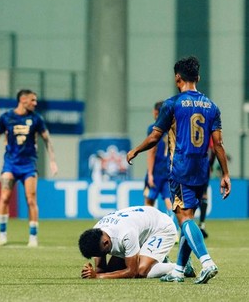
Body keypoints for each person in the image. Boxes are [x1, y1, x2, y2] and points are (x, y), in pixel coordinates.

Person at [127, 56, 231, 284]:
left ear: (177, 78)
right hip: (202, 170)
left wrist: (135, 150)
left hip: (180, 169)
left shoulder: (172, 104)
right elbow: (219, 145)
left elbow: (155, 137)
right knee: (189, 218)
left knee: (183, 219)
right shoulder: (212, 106)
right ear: (198, 77)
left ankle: (207, 262)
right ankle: (179, 270)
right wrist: (225, 174)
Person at [0, 89, 58, 247]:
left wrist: (52, 160)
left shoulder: (36, 118)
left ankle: (33, 236)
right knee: (4, 198)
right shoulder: (6, 117)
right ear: (23, 100)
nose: (35, 103)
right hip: (10, 164)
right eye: (33, 100)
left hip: (29, 165)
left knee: (31, 199)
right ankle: (2, 235)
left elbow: (46, 139)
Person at [78, 206, 194, 279]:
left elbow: (132, 272)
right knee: (114, 271)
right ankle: (158, 259)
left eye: (103, 254)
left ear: (106, 242)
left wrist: (98, 276)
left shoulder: (125, 234)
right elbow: (101, 269)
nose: (102, 257)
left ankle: (181, 267)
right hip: (142, 228)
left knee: (142, 270)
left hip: (161, 228)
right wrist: (90, 271)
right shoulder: (97, 233)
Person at [143, 101, 173, 213]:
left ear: (156, 112)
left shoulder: (153, 128)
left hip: (156, 171)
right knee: (169, 201)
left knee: (148, 202)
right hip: (169, 171)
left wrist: (150, 174)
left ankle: (150, 228)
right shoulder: (172, 129)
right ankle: (172, 228)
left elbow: (151, 152)